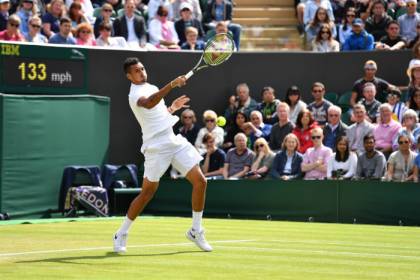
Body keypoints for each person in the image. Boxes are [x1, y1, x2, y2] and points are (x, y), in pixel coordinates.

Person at [113, 57, 212, 253]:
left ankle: (195, 230)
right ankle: (121, 233)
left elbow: (158, 113)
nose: (142, 72)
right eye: (137, 71)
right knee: (147, 193)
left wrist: (173, 108)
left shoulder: (152, 86)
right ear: (129, 76)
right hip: (155, 147)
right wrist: (173, 84)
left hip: (172, 140)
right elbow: (149, 104)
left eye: (142, 68)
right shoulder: (134, 94)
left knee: (201, 182)